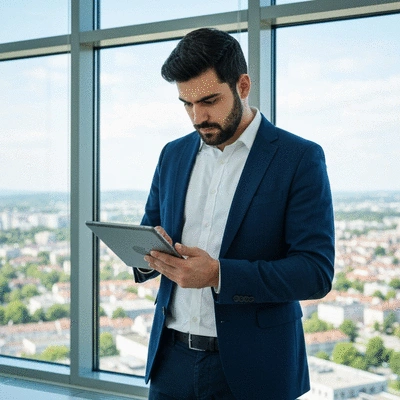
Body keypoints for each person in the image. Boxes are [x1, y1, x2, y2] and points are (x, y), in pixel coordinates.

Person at [133, 27, 335, 400]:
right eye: (187, 104)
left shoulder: (299, 158)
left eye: (209, 100)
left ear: (243, 85)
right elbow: (152, 229)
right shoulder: (172, 155)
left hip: (256, 368)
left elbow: (315, 272)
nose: (198, 117)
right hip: (170, 362)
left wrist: (219, 274)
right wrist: (147, 255)